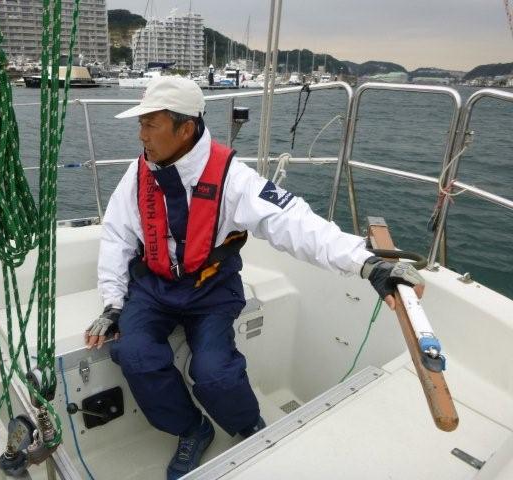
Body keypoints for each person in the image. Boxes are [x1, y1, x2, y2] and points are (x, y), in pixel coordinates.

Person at [85, 76, 424, 479]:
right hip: (154, 288)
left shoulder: (233, 178)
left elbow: (294, 221)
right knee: (134, 354)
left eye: (150, 124)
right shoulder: (138, 173)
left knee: (215, 372)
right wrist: (113, 303)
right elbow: (118, 236)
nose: (141, 135)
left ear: (186, 128)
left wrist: (367, 263)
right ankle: (192, 429)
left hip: (210, 291)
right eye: (141, 124)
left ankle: (248, 425)